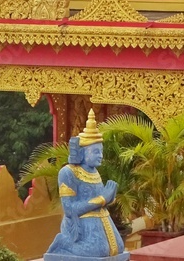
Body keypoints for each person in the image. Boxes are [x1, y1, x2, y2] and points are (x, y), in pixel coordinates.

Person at [45, 110, 128, 261]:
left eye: (101, 152)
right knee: (100, 250)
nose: (100, 156)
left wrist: (110, 197)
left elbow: (101, 199)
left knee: (118, 248)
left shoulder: (95, 172)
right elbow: (69, 209)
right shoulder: (68, 173)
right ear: (82, 153)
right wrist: (102, 199)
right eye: (96, 152)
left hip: (102, 219)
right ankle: (64, 242)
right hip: (82, 222)